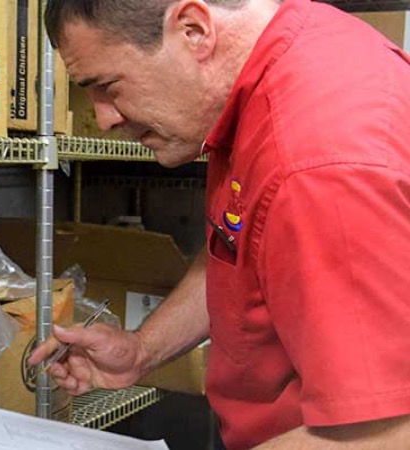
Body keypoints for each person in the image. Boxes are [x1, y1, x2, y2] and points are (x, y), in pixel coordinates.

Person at [27, 0, 410, 448]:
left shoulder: (314, 166)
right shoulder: (277, 63)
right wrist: (144, 350)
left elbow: (387, 432)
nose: (106, 118)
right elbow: (238, 245)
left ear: (193, 30)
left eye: (109, 87)